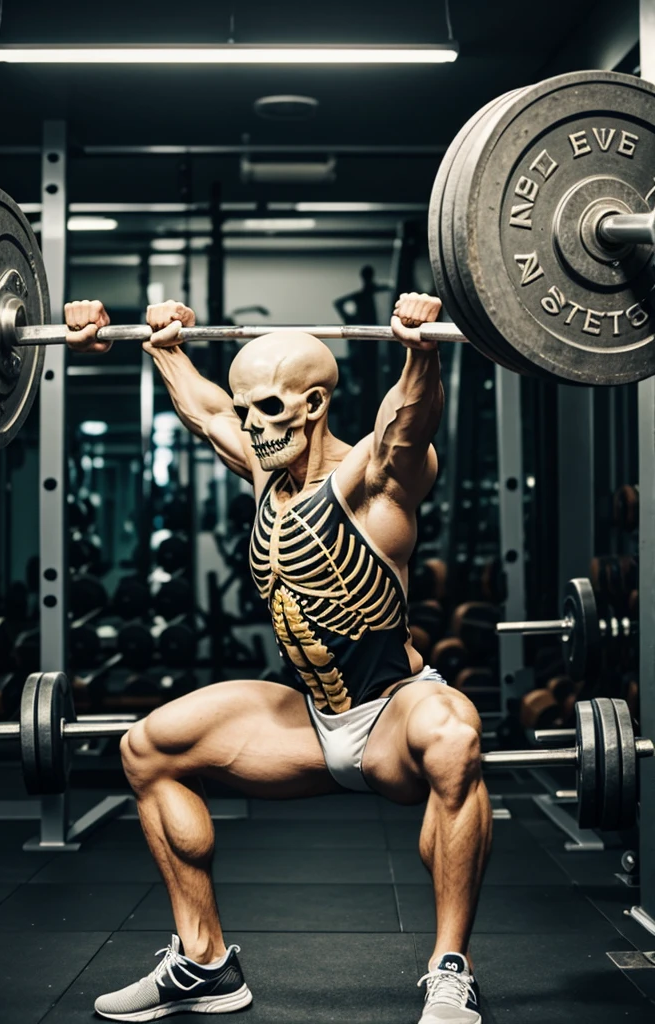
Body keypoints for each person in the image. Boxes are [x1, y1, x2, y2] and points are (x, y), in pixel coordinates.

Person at [65, 293, 492, 1024]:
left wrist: (423, 350)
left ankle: (451, 970)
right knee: (147, 750)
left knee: (454, 733)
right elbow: (205, 413)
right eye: (247, 411)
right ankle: (203, 965)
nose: (251, 426)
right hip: (308, 717)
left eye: (266, 409)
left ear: (315, 403)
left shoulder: (377, 484)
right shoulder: (267, 467)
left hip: (393, 715)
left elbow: (407, 426)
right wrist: (159, 343)